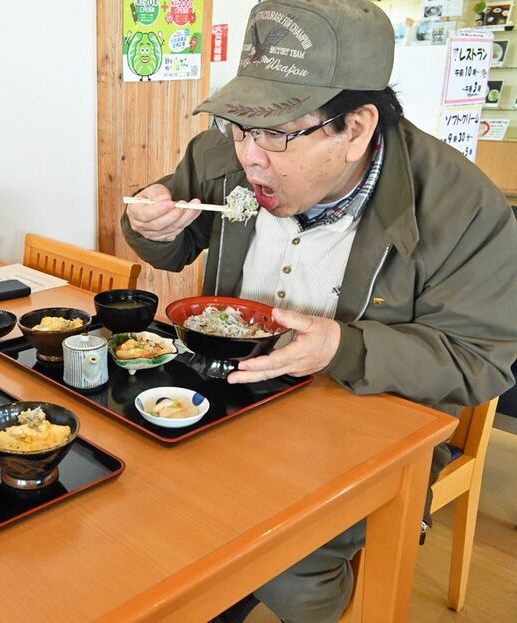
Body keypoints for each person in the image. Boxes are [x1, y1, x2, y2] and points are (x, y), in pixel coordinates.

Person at [122, 1, 517, 621]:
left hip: (363, 422)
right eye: (239, 124)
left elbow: (480, 361)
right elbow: (176, 243)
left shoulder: (462, 207)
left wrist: (343, 347)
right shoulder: (219, 157)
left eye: (277, 132)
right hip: (230, 393)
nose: (250, 156)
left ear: (356, 128)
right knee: (136, 494)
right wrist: (149, 220)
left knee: (291, 564)